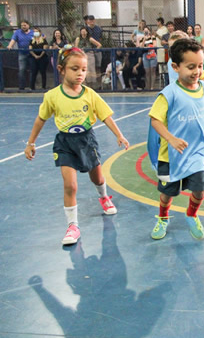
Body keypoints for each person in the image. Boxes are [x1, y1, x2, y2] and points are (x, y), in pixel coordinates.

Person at [23, 45, 129, 245]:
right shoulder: (52, 96)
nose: (80, 73)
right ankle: (73, 226)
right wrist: (31, 143)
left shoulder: (90, 94)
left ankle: (104, 197)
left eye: (83, 69)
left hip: (87, 140)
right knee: (70, 185)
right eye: (74, 68)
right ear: (61, 69)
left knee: (97, 177)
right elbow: (40, 119)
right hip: (64, 143)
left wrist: (119, 135)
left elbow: (106, 117)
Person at [147, 38, 204, 240]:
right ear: (175, 67)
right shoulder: (169, 94)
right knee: (167, 193)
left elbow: (202, 114)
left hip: (196, 153)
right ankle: (163, 218)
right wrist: (170, 139)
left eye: (199, 65)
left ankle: (192, 214)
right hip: (171, 155)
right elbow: (155, 120)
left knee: (199, 189)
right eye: (191, 67)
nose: (197, 71)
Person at [7, 20, 34, 90]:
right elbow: (13, 40)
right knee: (22, 70)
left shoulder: (33, 32)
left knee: (32, 70)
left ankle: (32, 87)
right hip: (22, 54)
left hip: (32, 54)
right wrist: (10, 45)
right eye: (22, 25)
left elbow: (41, 37)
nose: (23, 27)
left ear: (28, 25)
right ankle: (22, 87)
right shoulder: (17, 32)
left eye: (25, 25)